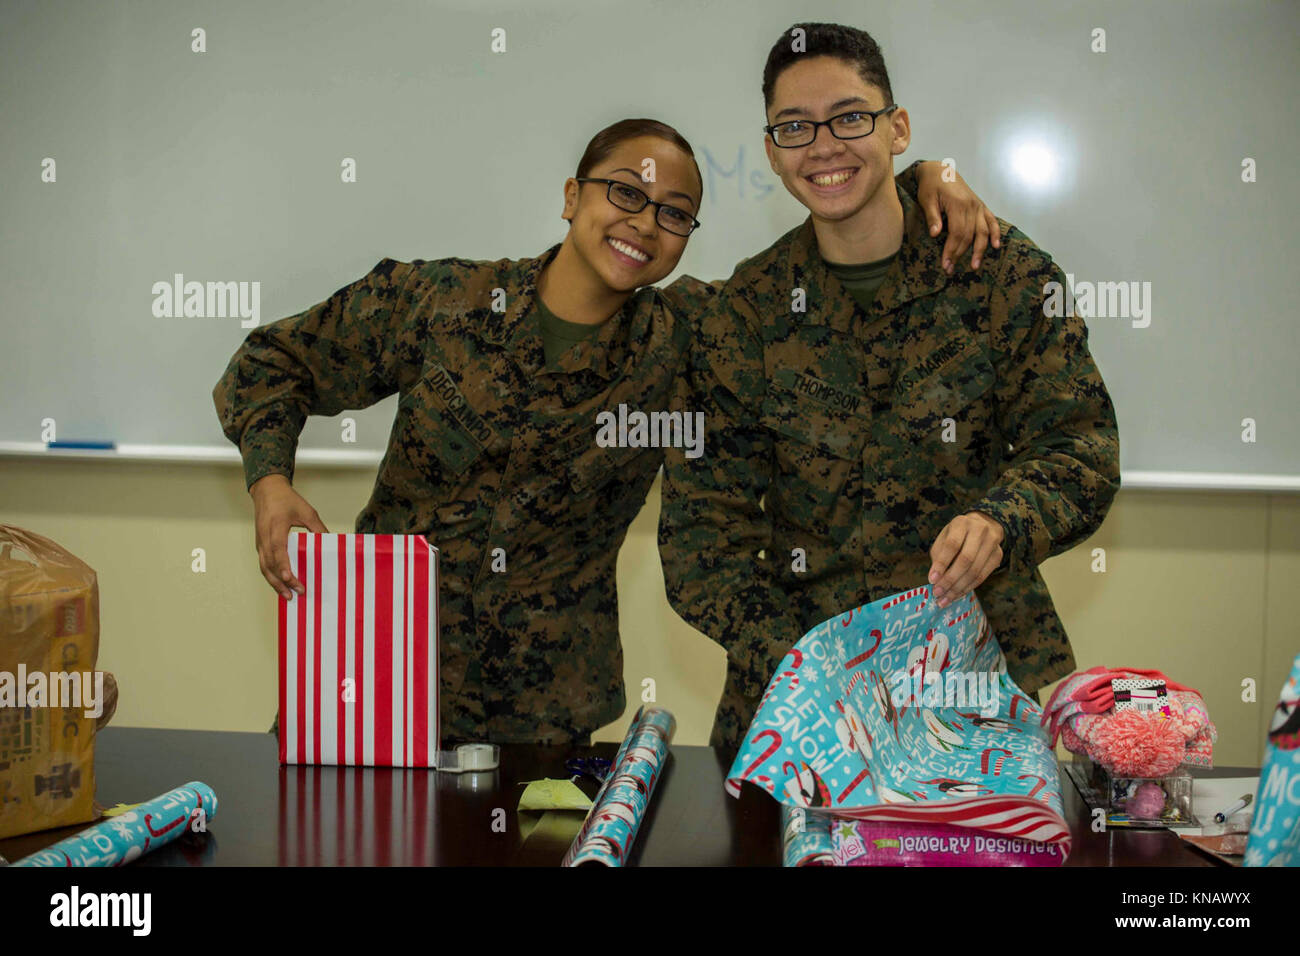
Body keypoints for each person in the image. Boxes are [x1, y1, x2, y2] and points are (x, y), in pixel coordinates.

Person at [214, 116, 996, 747]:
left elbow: (820, 273)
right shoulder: (437, 301)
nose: (643, 224)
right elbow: (270, 364)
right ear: (570, 195)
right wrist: (271, 483)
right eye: (624, 192)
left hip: (543, 714)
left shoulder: (689, 337)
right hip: (373, 680)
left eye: (674, 214)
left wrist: (925, 176)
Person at [658, 23, 1122, 758]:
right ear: (773, 151)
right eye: (795, 127)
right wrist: (815, 661)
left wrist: (1000, 522)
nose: (824, 145)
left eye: (849, 117)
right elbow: (700, 542)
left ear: (897, 127)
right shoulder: (744, 312)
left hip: (976, 687)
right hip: (802, 704)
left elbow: (1080, 451)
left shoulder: (1002, 273)